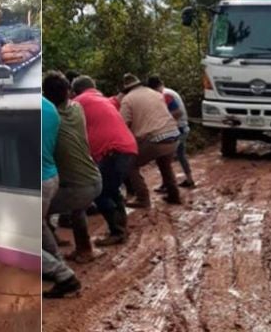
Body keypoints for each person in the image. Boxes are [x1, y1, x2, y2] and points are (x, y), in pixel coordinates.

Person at [43, 71, 103, 263]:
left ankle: (53, 260)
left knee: (38, 211)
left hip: (78, 189)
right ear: (69, 91)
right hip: (94, 178)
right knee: (77, 208)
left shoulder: (49, 119)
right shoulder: (77, 108)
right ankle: (85, 250)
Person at [72, 75, 138, 246]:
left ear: (75, 91)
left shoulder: (78, 102)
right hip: (127, 147)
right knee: (112, 189)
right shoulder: (103, 100)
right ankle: (121, 227)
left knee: (100, 192)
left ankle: (118, 232)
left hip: (113, 151)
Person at [120, 73, 182, 208]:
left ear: (126, 89)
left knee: (130, 165)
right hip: (174, 135)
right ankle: (174, 194)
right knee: (165, 164)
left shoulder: (127, 100)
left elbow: (123, 124)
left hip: (155, 139)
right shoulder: (155, 94)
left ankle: (142, 198)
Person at [41, 97, 81, 298]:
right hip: (50, 176)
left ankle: (63, 275)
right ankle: (57, 263)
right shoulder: (48, 107)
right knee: (38, 225)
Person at [147, 76, 196, 189]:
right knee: (179, 155)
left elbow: (177, 113)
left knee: (165, 157)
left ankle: (168, 184)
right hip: (181, 127)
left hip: (178, 128)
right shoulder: (168, 92)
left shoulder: (165, 95)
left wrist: (162, 121)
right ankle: (188, 179)